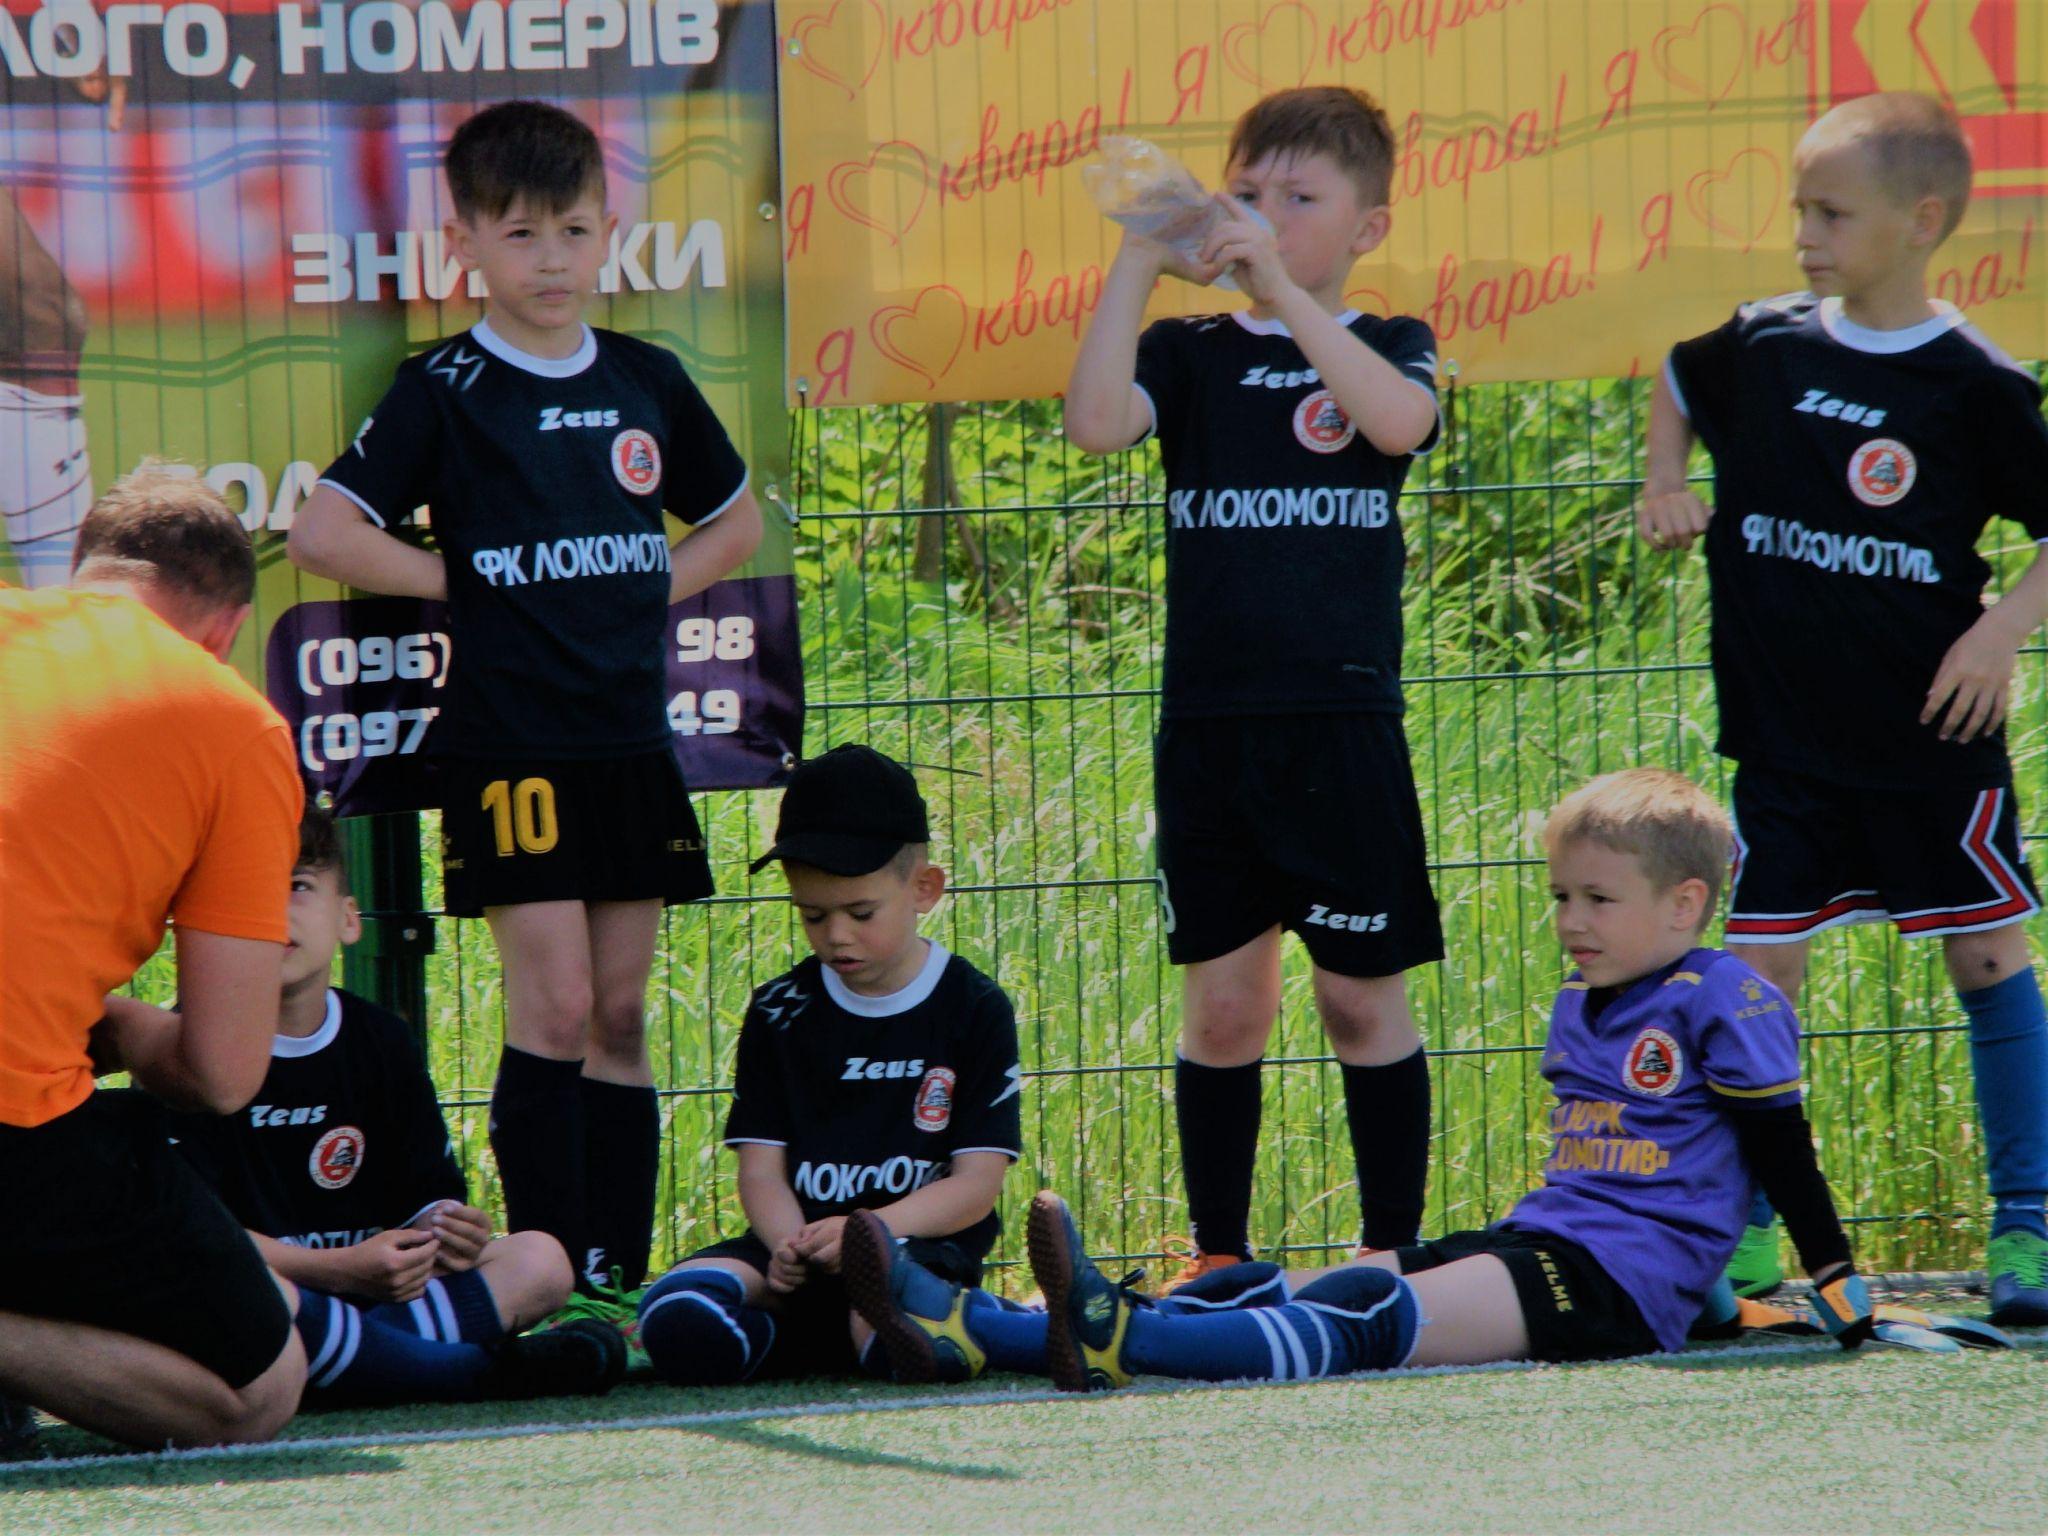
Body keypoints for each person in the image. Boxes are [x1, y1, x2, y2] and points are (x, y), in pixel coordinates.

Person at [842, 771, 1981, 1388]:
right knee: (1296, 1283)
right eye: (1560, 897)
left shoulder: (1723, 995)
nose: (1570, 921)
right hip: (1548, 1239)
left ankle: (1106, 1339)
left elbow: (1776, 1152)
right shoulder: (1585, 999)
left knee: (1367, 1314)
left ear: (1686, 905)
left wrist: (1834, 1280)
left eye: (1597, 900)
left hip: (1612, 1288)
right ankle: (976, 1325)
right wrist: (1721, 1301)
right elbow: (1672, 1174)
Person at [287, 100, 765, 1298]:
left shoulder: (646, 377)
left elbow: (735, 522)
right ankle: (547, 1281)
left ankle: (616, 1281)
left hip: (629, 740)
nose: (550, 259)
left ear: (608, 233)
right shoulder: (445, 386)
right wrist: (463, 586)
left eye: (572, 231)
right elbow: (322, 533)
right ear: (464, 245)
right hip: (511, 746)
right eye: (519, 234)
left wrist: (638, 594)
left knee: (619, 1015)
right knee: (552, 1009)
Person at [1639, 92, 2048, 1324]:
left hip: (1930, 747)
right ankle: (1747, 1236)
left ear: (1919, 222)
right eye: (1798, 210)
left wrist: (1997, 628)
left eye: (1830, 213)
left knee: (1987, 957)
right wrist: (1663, 480)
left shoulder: (1975, 382)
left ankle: (2026, 1228)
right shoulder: (1762, 345)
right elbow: (1671, 376)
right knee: (1757, 979)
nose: (1804, 235)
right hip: (1783, 749)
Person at [1062, 85, 1443, 1283]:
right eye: (1246, 193)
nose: (1263, 215)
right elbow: (1092, 423)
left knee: (1357, 1003)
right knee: (1224, 1010)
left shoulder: (1388, 342)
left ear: (1366, 228)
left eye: (1298, 198)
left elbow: (1398, 425)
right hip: (1212, 731)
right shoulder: (1189, 355)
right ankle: (1217, 1256)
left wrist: (1279, 288)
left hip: (1340, 727)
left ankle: (1387, 1256)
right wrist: (1141, 254)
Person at [0, 464, 305, 1449]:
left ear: (78, 573)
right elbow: (224, 1071)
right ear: (226, 630)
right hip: (16, 1114)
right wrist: (124, 1028)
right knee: (258, 1388)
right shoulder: (233, 722)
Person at [167, 804, 624, 1407]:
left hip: (373, 1294)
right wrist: (340, 1268)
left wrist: (446, 1229)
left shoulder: (380, 1039)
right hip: (267, 1292)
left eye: (297, 885)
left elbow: (423, 1198)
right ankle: (441, 1368)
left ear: (348, 919)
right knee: (212, 1288)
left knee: (540, 1260)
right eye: (245, 892)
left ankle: (355, 1360)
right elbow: (191, 1238)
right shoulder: (181, 1048)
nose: (273, 910)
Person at [633, 746, 1025, 1385]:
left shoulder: (973, 1006)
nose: (836, 935)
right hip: (797, 1251)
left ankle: (1010, 1326)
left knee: (889, 1320)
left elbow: (975, 1187)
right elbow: (761, 1171)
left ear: (924, 889)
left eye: (860, 913)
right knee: (676, 1306)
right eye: (812, 915)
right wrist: (790, 1246)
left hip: (910, 1252)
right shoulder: (779, 1009)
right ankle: (789, 1336)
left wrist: (867, 1236)